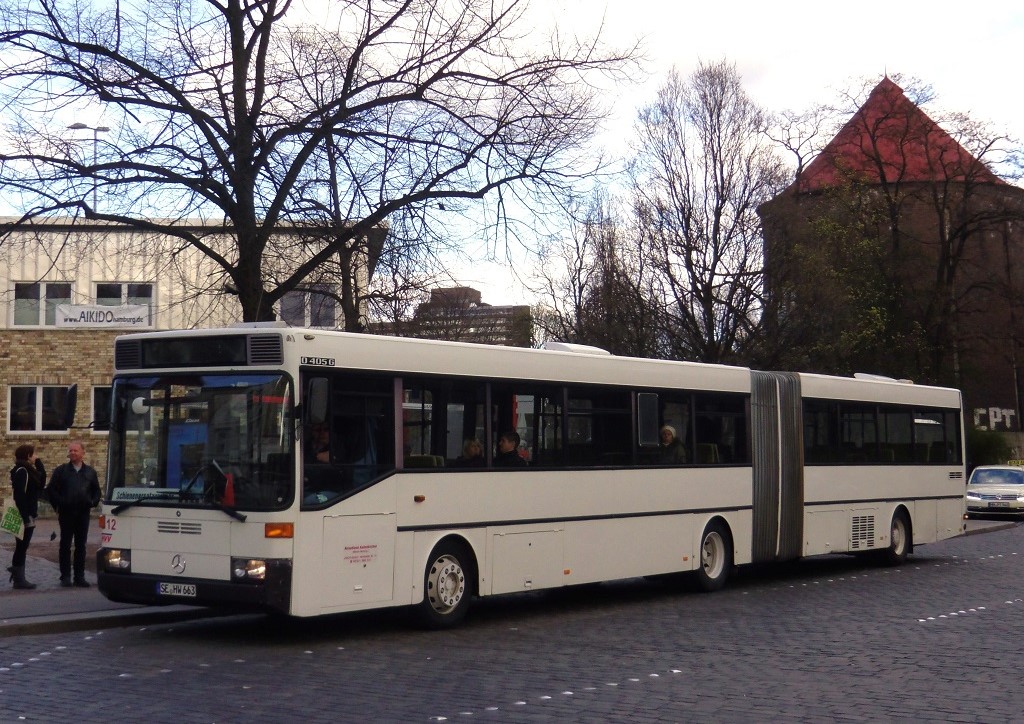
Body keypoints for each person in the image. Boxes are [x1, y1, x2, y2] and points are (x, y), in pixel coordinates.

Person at [47, 441, 101, 588]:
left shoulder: (90, 472)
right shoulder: (61, 471)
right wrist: (60, 503)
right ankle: (65, 576)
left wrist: (92, 502)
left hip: (83, 513)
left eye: (75, 450)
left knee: (81, 545)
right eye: (70, 451)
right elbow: (51, 490)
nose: (72, 453)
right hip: (66, 513)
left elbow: (96, 490)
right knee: (65, 544)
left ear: (83, 452)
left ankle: (79, 576)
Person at [7, 444, 45, 590]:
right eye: (34, 454)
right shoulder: (22, 471)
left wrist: (39, 463)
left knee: (22, 546)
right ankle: (19, 578)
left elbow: (41, 483)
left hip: (28, 513)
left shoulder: (29, 470)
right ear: (28, 455)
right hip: (24, 514)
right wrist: (24, 516)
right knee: (21, 546)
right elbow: (19, 495)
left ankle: (17, 573)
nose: (35, 456)